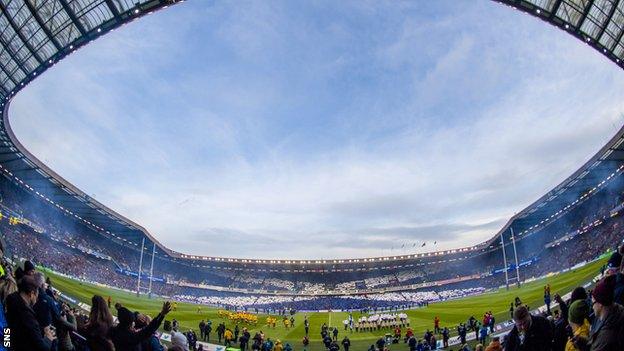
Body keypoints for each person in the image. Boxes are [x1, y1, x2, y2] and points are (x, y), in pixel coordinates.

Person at [5, 275, 56, 351]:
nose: (36, 300)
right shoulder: (26, 315)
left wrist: (6, 345)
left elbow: (7, 328)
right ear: (31, 294)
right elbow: (42, 348)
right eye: (36, 296)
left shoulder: (10, 299)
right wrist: (48, 339)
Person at [585, 275, 624, 350]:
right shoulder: (617, 310)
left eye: (593, 303)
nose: (592, 307)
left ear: (600, 304)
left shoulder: (607, 336)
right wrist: (584, 342)